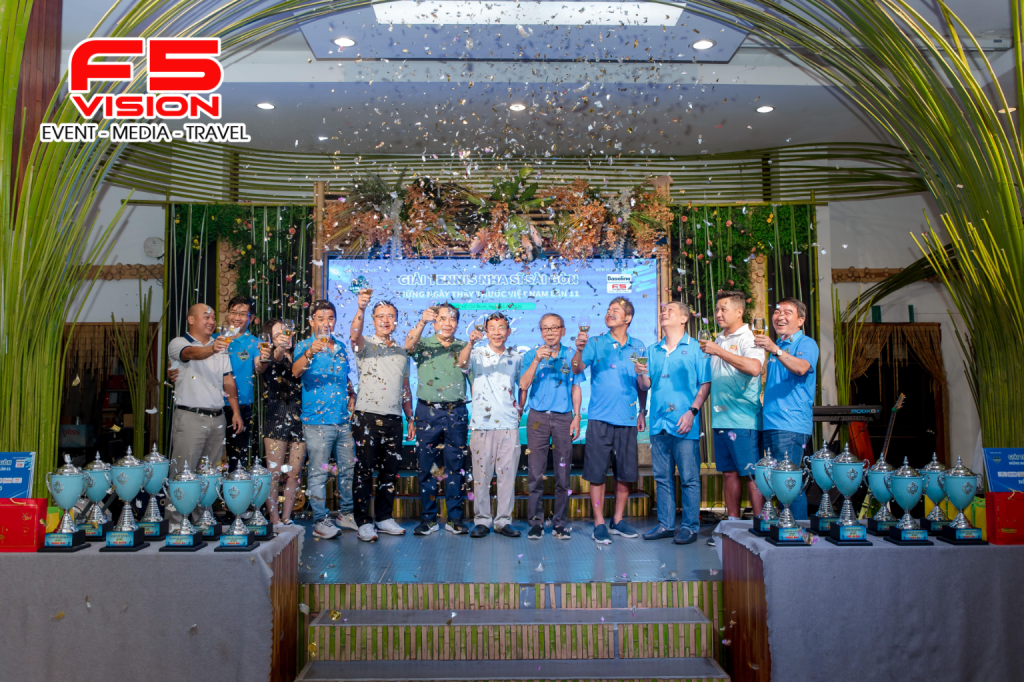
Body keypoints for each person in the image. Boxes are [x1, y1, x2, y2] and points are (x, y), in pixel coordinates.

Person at [572, 297, 646, 545]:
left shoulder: (638, 347)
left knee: (625, 473)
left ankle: (618, 519)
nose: (609, 313)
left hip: (627, 418)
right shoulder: (595, 343)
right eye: (608, 310)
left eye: (615, 311)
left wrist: (642, 410)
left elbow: (643, 384)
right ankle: (599, 523)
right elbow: (576, 369)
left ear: (628, 318)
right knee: (597, 474)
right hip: (600, 418)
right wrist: (579, 349)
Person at [636, 302, 711, 544]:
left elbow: (705, 384)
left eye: (670, 310)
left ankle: (689, 526)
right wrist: (640, 372)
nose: (664, 313)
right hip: (658, 422)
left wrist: (692, 412)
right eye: (662, 310)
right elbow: (646, 385)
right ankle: (665, 525)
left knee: (689, 478)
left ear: (684, 318)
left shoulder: (697, 348)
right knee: (662, 477)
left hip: (684, 422)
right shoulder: (652, 350)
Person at [166, 303, 244, 526]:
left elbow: (228, 380)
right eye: (206, 317)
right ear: (191, 320)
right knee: (183, 472)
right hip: (190, 417)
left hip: (217, 418)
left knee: (210, 474)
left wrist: (235, 412)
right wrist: (213, 349)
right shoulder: (179, 343)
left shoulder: (220, 348)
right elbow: (191, 354)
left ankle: (204, 520)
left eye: (213, 318)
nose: (211, 321)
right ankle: (176, 523)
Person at [350, 292, 415, 542]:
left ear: (396, 320)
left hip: (394, 419)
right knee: (364, 471)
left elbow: (405, 387)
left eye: (390, 316)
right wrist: (361, 308)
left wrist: (410, 417)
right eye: (380, 316)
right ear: (373, 320)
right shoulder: (364, 344)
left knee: (390, 472)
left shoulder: (401, 350)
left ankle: (384, 517)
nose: (386, 320)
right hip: (367, 417)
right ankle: (363, 522)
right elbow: (354, 335)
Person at [703, 290, 765, 546]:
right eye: (717, 310)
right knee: (728, 474)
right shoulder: (719, 338)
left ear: (739, 312)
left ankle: (761, 527)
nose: (718, 314)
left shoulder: (749, 338)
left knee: (752, 475)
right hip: (720, 420)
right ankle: (732, 526)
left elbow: (754, 368)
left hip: (743, 420)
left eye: (724, 309)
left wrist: (719, 351)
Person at [404, 303, 470, 536]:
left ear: (457, 323)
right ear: (434, 322)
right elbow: (407, 346)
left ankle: (455, 518)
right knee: (427, 468)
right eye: (442, 318)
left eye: (452, 319)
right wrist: (421, 322)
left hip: (456, 412)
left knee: (456, 468)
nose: (447, 323)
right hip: (427, 412)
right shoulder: (423, 343)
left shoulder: (464, 346)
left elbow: (473, 381)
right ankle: (428, 519)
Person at [293, 300, 357, 539]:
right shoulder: (303, 345)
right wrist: (310, 352)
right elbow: (295, 371)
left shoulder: (340, 346)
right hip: (317, 421)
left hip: (343, 420)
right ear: (311, 321)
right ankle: (320, 520)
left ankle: (346, 514)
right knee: (319, 473)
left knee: (348, 469)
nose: (326, 323)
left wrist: (352, 393)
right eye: (320, 318)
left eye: (330, 318)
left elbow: (344, 377)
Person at [457, 312, 524, 538]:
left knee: (507, 478)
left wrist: (521, 407)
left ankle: (503, 521)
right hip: (481, 426)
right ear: (485, 332)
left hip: (509, 426)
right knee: (481, 477)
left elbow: (523, 385)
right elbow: (461, 364)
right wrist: (470, 343)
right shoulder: (475, 354)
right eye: (492, 329)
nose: (497, 332)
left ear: (508, 331)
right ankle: (482, 520)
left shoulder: (516, 357)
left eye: (501, 328)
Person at [754, 297, 819, 520]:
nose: (780, 316)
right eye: (777, 311)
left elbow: (801, 368)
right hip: (770, 423)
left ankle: (796, 531)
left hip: (790, 425)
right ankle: (783, 527)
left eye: (787, 312)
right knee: (777, 483)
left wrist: (775, 349)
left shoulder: (806, 343)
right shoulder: (778, 346)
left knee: (789, 484)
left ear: (800, 320)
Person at [520, 313, 583, 540]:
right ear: (540, 332)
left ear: (563, 331)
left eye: (554, 328)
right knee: (535, 473)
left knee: (562, 475)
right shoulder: (531, 355)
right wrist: (536, 360)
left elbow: (576, 387)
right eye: (545, 328)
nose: (550, 332)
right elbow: (523, 385)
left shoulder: (572, 355)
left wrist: (577, 416)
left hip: (563, 418)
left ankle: (560, 524)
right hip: (537, 417)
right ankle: (536, 523)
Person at [260, 318, 306, 528]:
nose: (284, 336)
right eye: (278, 334)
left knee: (294, 472)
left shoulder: (300, 355)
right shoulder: (267, 355)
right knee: (274, 473)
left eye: (286, 332)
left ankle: (287, 516)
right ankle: (274, 519)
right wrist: (278, 347)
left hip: (300, 418)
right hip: (276, 417)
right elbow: (275, 357)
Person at [218, 296, 267, 471]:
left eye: (242, 314)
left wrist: (265, 359)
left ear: (251, 318)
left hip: (241, 406)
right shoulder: (217, 338)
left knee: (237, 460)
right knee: (211, 459)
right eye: (233, 312)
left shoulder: (255, 342)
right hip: (213, 404)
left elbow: (259, 368)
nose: (236, 317)